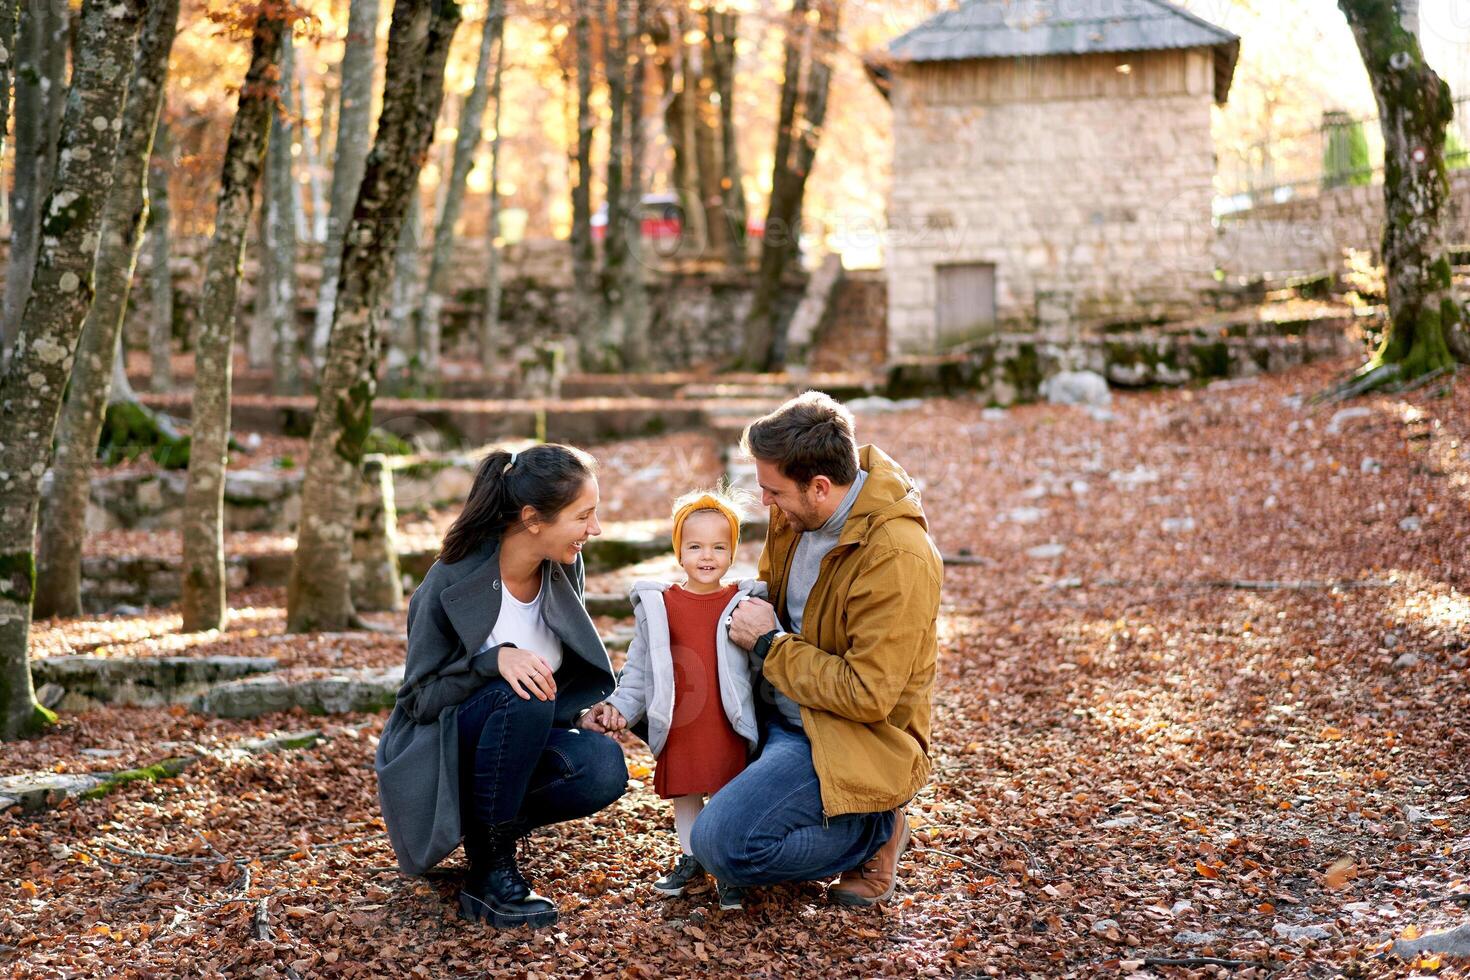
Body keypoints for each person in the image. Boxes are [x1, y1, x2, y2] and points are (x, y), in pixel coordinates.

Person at [691, 391, 943, 907]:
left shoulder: (896, 557)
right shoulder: (800, 511)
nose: (765, 503)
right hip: (779, 709)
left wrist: (769, 643)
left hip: (845, 734)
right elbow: (780, 597)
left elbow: (868, 694)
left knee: (722, 847)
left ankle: (875, 828)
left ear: (820, 486)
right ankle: (832, 812)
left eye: (773, 491)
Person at [375, 444, 628, 929]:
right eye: (584, 516)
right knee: (521, 691)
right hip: (444, 752)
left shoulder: (564, 567)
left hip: (514, 736)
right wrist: (493, 661)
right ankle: (489, 873)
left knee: (602, 766)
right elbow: (418, 701)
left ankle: (487, 831)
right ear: (533, 518)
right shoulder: (448, 583)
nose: (594, 530)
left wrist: (578, 716)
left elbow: (552, 677)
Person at [584, 488, 767, 911]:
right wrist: (621, 709)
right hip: (682, 719)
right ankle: (691, 858)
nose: (708, 555)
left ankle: (726, 867)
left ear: (733, 551)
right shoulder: (660, 605)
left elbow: (762, 669)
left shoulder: (744, 603)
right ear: (679, 551)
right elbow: (640, 671)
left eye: (720, 546)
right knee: (686, 792)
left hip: (726, 719)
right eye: (696, 546)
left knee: (726, 791)